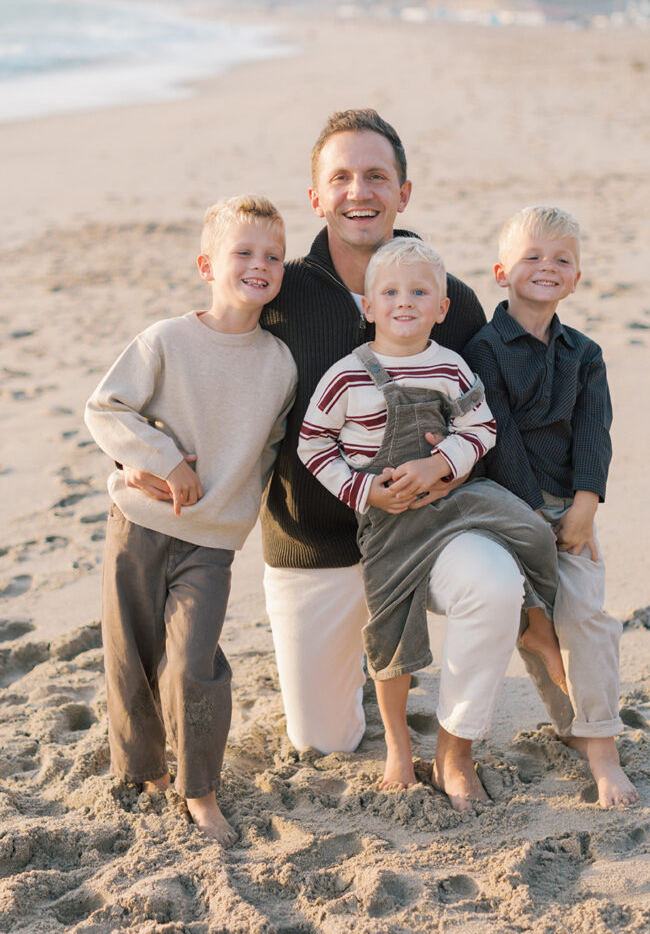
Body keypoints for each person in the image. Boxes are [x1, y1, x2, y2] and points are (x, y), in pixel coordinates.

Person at [121, 110, 536, 811]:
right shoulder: (279, 288)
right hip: (314, 546)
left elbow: (491, 415)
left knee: (493, 585)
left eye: (376, 176)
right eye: (339, 177)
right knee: (324, 740)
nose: (358, 191)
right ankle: (376, 676)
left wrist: (475, 480)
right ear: (316, 197)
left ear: (403, 192)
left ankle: (454, 750)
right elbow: (206, 369)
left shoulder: (446, 296)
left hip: (426, 531)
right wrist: (146, 458)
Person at [298, 237, 558, 789]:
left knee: (531, 531)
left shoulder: (451, 368)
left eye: (420, 292)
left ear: (442, 309)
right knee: (391, 634)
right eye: (389, 292)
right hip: (388, 521)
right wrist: (366, 492)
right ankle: (397, 746)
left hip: (454, 503)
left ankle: (536, 620)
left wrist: (441, 464)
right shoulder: (347, 375)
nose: (404, 302)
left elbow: (481, 428)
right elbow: (314, 444)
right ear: (368, 307)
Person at [84, 195, 297, 845]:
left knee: (192, 664)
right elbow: (105, 410)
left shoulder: (280, 364)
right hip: (138, 527)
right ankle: (143, 771)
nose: (259, 264)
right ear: (208, 263)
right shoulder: (166, 340)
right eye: (243, 252)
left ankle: (199, 788)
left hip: (209, 543)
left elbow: (270, 454)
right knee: (131, 659)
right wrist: (160, 461)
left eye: (273, 256)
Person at [464, 205, 639, 808]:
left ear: (577, 278)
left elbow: (596, 426)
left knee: (585, 615)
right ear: (500, 271)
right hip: (503, 504)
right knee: (532, 620)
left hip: (570, 507)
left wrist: (587, 502)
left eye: (561, 260)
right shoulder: (482, 349)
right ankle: (571, 721)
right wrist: (530, 517)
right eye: (532, 256)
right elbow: (498, 434)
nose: (547, 267)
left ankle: (601, 747)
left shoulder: (583, 353)